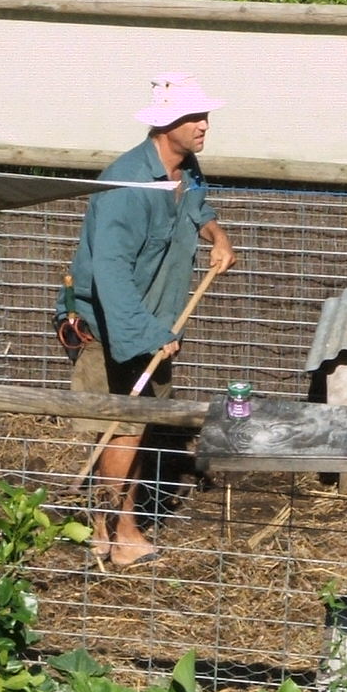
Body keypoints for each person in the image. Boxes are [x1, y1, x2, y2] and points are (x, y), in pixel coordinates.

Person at [63, 72, 236, 567]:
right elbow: (109, 272)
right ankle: (118, 531)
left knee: (132, 427)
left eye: (205, 116)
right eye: (194, 117)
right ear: (165, 125)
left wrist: (216, 236)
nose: (204, 125)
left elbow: (196, 207)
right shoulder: (127, 185)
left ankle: (106, 525)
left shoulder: (186, 168)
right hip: (116, 324)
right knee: (124, 426)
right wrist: (149, 334)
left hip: (156, 317)